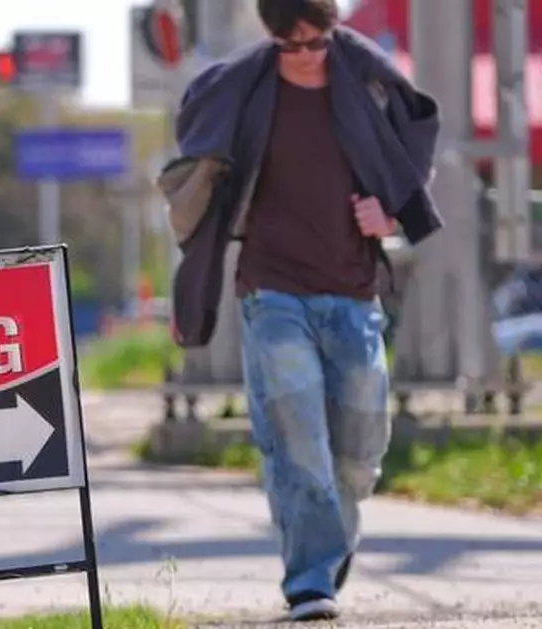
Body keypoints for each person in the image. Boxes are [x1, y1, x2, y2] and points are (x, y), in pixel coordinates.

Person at [161, 0, 444, 622]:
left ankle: (328, 545)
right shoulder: (244, 85)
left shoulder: (364, 76)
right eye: (294, 46)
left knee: (359, 450)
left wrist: (391, 209)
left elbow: (418, 125)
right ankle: (311, 582)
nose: (309, 57)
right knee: (298, 443)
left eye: (319, 41)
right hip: (273, 292)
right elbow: (195, 125)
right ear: (274, 39)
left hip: (353, 294)